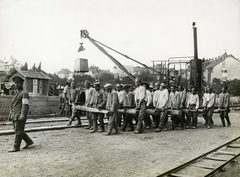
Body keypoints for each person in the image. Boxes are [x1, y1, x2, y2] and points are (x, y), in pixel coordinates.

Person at [8, 76, 33, 152]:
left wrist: (23, 115)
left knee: (18, 132)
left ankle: (16, 147)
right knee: (18, 130)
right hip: (15, 115)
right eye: (15, 83)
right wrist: (10, 114)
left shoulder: (24, 93)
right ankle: (29, 141)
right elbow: (13, 105)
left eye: (18, 83)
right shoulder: (16, 93)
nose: (16, 85)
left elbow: (25, 106)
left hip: (19, 115)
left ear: (22, 84)